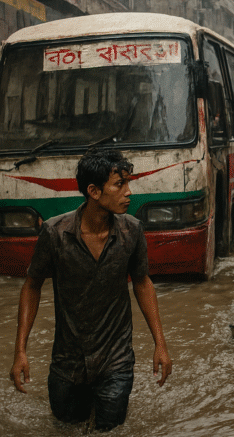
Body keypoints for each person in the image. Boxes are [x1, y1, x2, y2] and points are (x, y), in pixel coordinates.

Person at [9, 149, 172, 431]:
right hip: (67, 362)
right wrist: (20, 351)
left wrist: (160, 344)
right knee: (65, 428)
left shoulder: (132, 231)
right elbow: (32, 286)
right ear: (94, 191)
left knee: (111, 429)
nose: (129, 192)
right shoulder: (54, 233)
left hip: (116, 360)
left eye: (127, 183)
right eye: (119, 185)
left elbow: (142, 283)